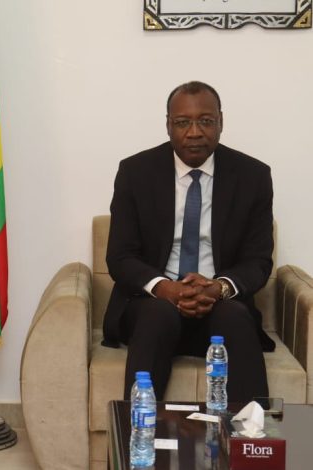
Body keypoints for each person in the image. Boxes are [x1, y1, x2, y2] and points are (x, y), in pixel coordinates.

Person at [103, 81, 275, 402]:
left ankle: (249, 430)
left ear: (221, 122)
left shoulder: (253, 176)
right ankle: (138, 429)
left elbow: (258, 261)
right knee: (158, 315)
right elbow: (120, 257)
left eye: (205, 121)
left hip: (218, 304)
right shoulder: (135, 172)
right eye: (183, 122)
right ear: (168, 125)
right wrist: (165, 288)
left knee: (234, 316)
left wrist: (218, 288)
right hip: (151, 306)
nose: (194, 132)